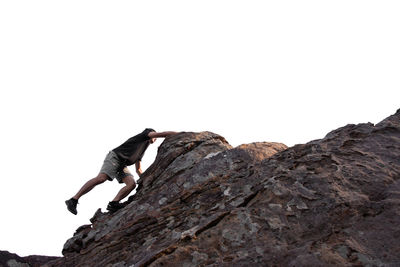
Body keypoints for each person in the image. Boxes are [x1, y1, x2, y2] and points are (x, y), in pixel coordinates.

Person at [65, 128, 177, 214]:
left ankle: (114, 203)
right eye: (154, 137)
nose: (155, 139)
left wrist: (146, 179)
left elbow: (138, 169)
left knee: (131, 184)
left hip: (123, 164)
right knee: (101, 178)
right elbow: (161, 134)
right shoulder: (145, 134)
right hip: (115, 157)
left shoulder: (142, 149)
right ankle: (73, 199)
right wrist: (180, 134)